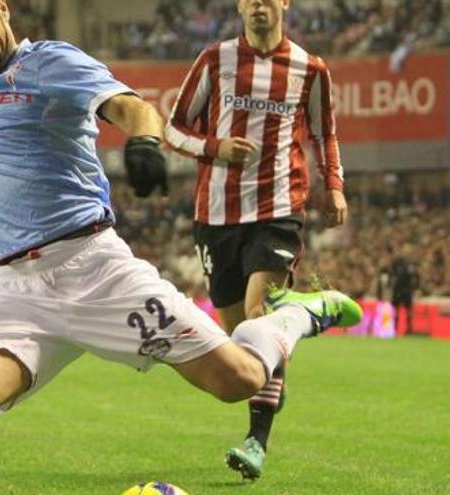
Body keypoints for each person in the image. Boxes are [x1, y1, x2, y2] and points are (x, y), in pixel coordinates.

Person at [0, 1, 362, 493]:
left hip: (95, 269)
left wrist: (144, 142)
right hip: (19, 291)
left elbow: (128, 104)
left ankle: (294, 317)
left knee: (239, 379)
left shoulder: (49, 60)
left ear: (2, 8)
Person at [164, 0, 348, 480]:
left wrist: (334, 185)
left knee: (256, 317)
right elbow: (172, 129)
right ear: (241, 6)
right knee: (243, 351)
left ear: (283, 3)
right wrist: (215, 148)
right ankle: (304, 312)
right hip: (217, 215)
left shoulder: (310, 68)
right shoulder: (214, 60)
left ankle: (256, 443)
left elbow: (324, 133)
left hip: (279, 209)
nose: (259, 5)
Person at [379, 244, 419, 335]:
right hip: (398, 290)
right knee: (396, 310)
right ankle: (395, 329)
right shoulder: (395, 264)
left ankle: (409, 329)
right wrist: (389, 286)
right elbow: (389, 275)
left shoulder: (410, 264)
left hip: (407, 290)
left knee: (408, 310)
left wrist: (416, 288)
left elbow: (416, 276)